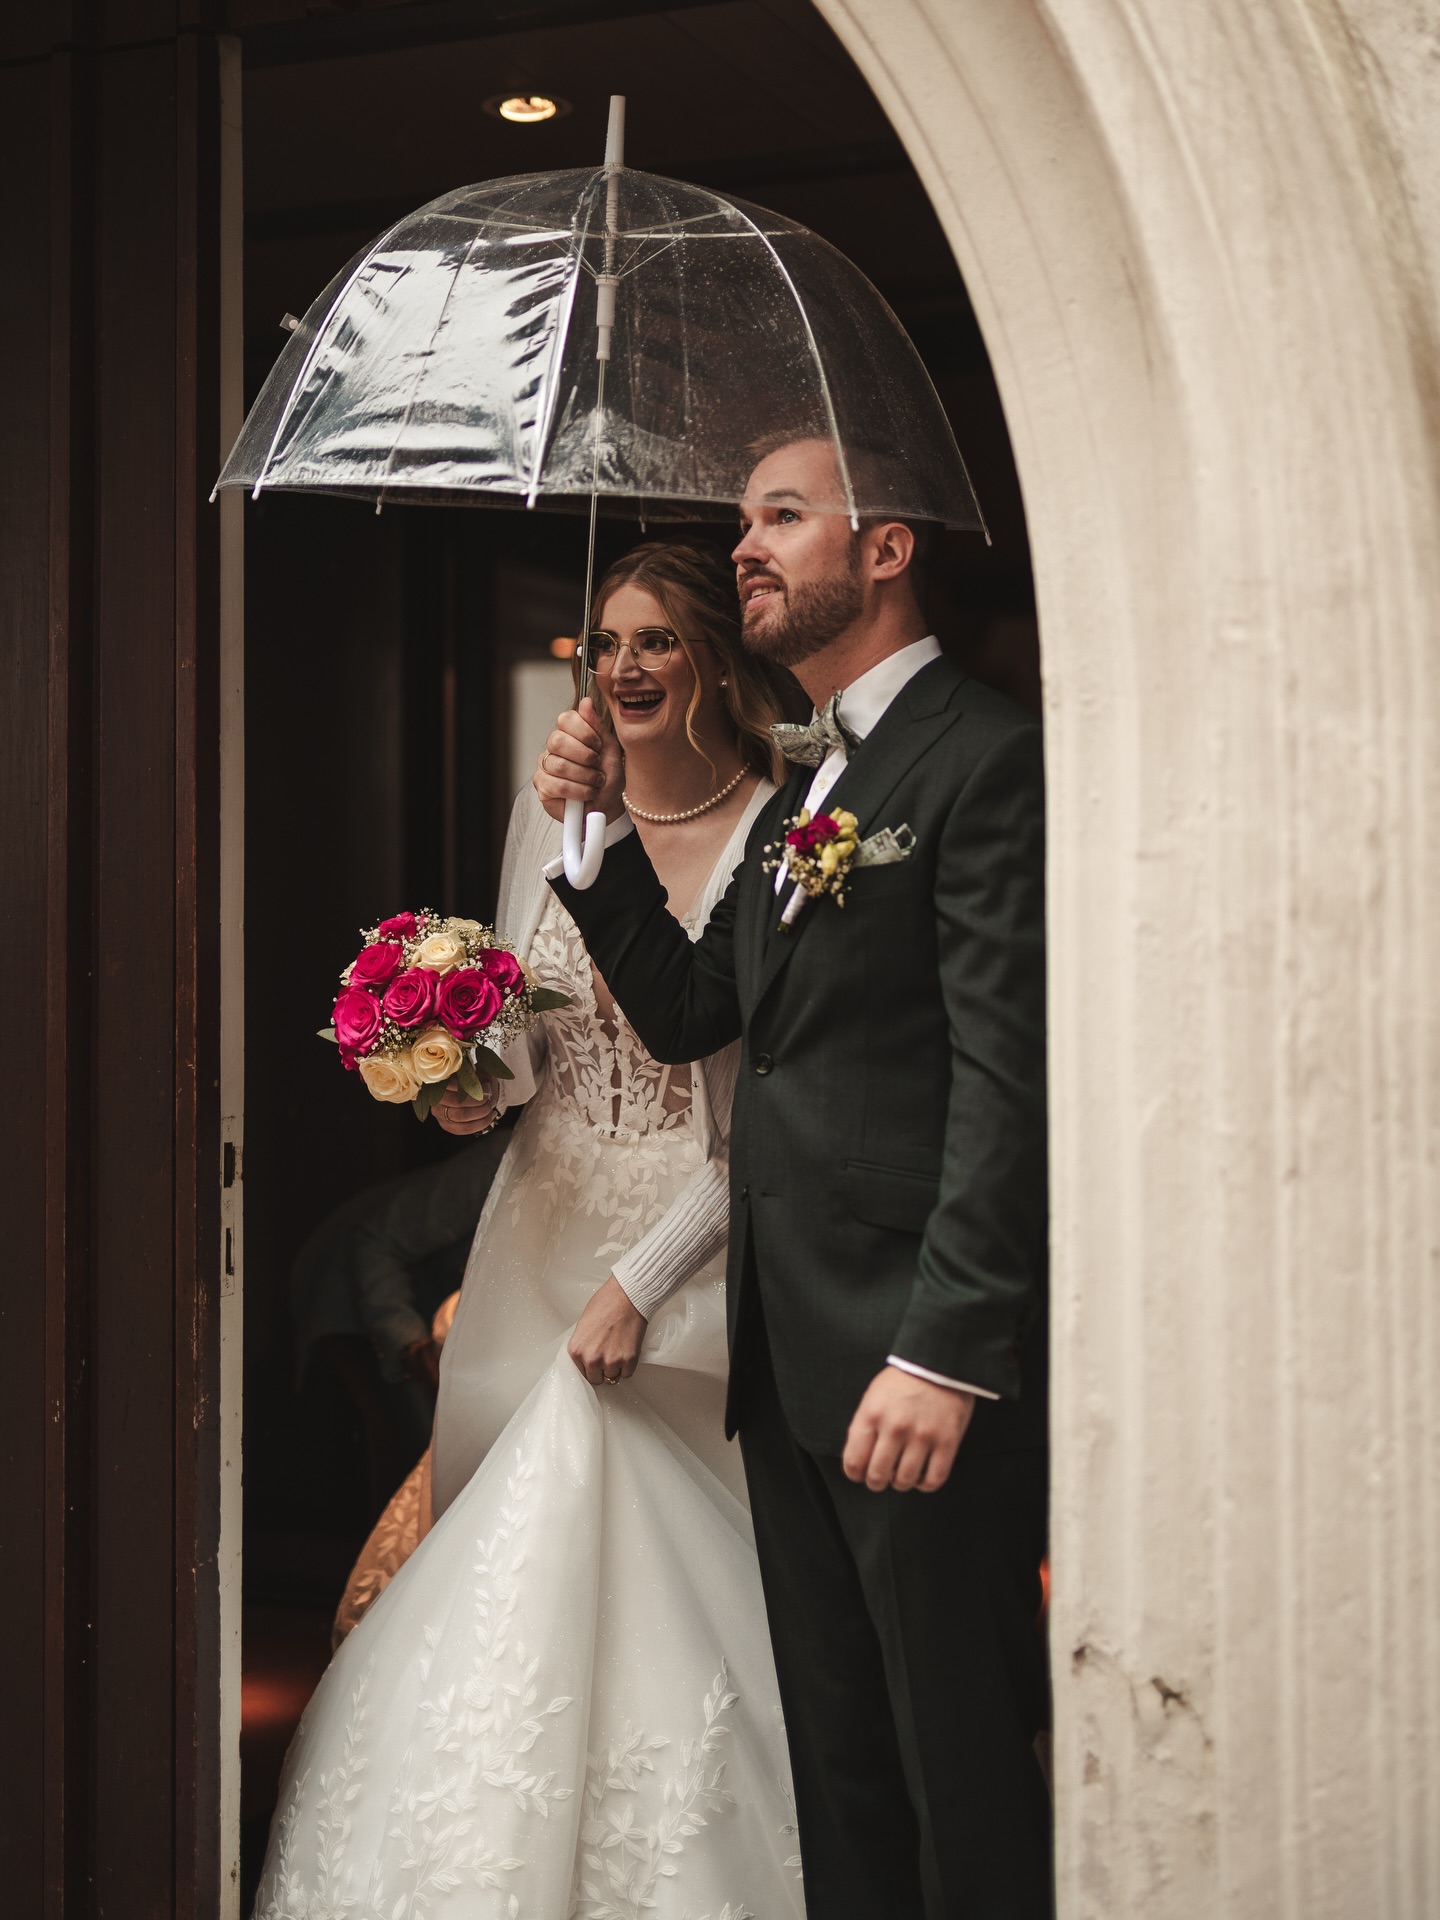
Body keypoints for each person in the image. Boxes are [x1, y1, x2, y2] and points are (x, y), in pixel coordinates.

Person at [249, 541, 806, 1920]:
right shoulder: (546, 817)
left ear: (715, 657)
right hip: (535, 1242)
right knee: (507, 1578)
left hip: (681, 1268)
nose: (621, 667)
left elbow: (758, 1131)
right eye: (603, 643)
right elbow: (520, 1059)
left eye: (656, 640)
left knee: (658, 1576)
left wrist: (640, 1286)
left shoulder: (775, 835)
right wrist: (453, 1075)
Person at [536, 438, 1052, 1920]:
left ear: (886, 549)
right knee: (845, 1774)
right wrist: (593, 829)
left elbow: (1010, 1082)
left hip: (910, 1364)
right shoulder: (807, 789)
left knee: (957, 1770)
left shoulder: (984, 757)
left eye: (781, 516)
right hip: (788, 1359)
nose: (744, 546)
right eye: (742, 521)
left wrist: (946, 1351)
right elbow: (698, 1014)